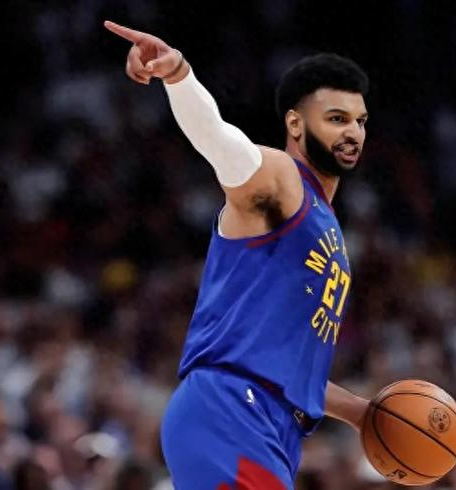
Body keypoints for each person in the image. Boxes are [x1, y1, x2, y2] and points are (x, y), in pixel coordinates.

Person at [105, 20, 371, 490]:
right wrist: (179, 76)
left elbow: (283, 362)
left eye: (359, 121)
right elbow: (219, 141)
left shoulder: (326, 224)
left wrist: (360, 413)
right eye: (336, 119)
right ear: (295, 123)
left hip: (269, 425)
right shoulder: (281, 179)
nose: (352, 132)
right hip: (230, 410)